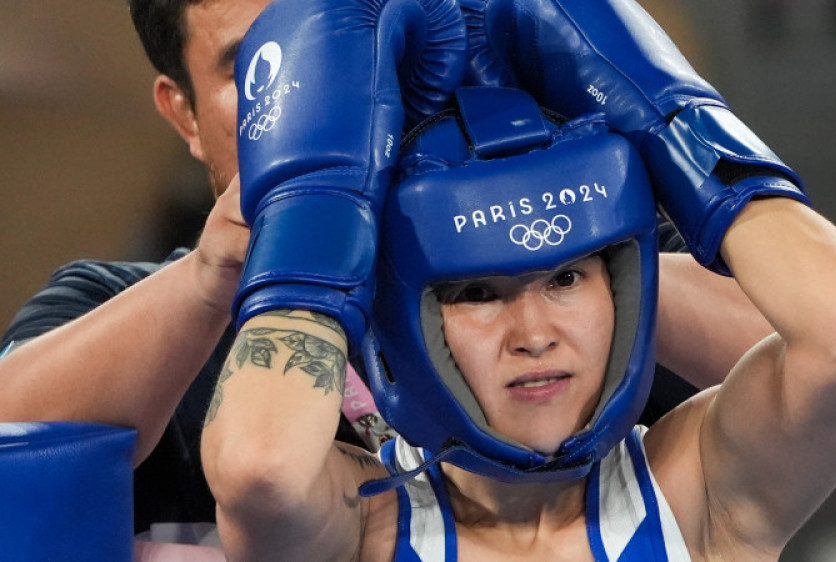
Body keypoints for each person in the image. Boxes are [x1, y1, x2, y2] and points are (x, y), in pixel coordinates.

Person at [0, 0, 767, 537]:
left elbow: (814, 364)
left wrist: (530, 231)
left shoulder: (584, 266)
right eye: (265, 66)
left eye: (351, 53)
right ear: (185, 116)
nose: (323, 94)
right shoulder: (118, 305)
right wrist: (223, 273)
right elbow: (13, 448)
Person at [202, 78, 836, 559]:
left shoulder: (693, 488)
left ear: (624, 291)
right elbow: (257, 470)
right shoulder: (363, 523)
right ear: (403, 320)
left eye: (567, 278)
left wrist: (668, 114)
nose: (535, 336)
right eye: (477, 294)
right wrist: (318, 214)